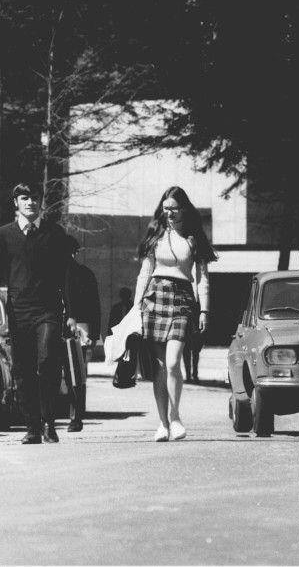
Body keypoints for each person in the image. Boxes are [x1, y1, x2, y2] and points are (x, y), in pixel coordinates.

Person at [0, 182, 75, 444]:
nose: (30, 202)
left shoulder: (55, 234)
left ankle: (49, 423)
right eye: (24, 198)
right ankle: (32, 427)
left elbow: (66, 276)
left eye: (34, 197)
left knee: (47, 363)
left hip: (49, 311)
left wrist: (71, 312)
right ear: (16, 202)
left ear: (40, 201)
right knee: (23, 370)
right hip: (19, 312)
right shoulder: (4, 235)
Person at [132, 186, 217, 441]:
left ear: (184, 209)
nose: (169, 213)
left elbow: (203, 278)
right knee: (160, 367)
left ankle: (176, 417)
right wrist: (136, 307)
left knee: (172, 362)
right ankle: (162, 423)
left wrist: (204, 310)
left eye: (174, 208)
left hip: (182, 300)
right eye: (165, 208)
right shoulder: (155, 236)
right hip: (154, 298)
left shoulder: (194, 238)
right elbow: (144, 273)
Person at [63, 236, 100, 432]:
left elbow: (94, 305)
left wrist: (94, 333)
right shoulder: (84, 273)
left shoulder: (83, 274)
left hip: (78, 328)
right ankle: (75, 416)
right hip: (78, 328)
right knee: (76, 374)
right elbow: (95, 306)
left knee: (75, 374)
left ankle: (75, 416)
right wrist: (94, 332)